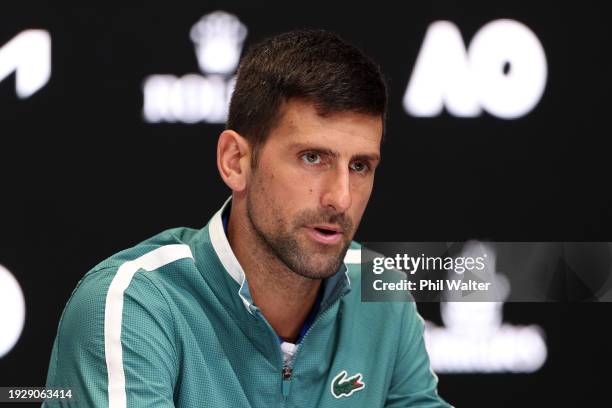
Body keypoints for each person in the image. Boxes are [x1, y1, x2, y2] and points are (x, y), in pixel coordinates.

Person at [44, 29, 452, 407]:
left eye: (360, 166)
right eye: (312, 158)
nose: (341, 198)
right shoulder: (135, 303)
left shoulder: (382, 296)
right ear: (235, 161)